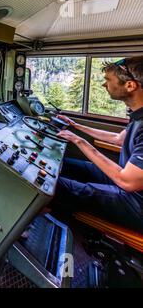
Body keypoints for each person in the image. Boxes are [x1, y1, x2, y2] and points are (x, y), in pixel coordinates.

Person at [54, 56, 143, 232]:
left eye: (108, 80)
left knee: (55, 187)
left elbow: (127, 182)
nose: (104, 85)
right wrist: (75, 125)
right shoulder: (138, 115)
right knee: (63, 165)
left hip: (136, 204)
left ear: (130, 85)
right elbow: (118, 139)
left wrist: (78, 140)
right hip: (129, 187)